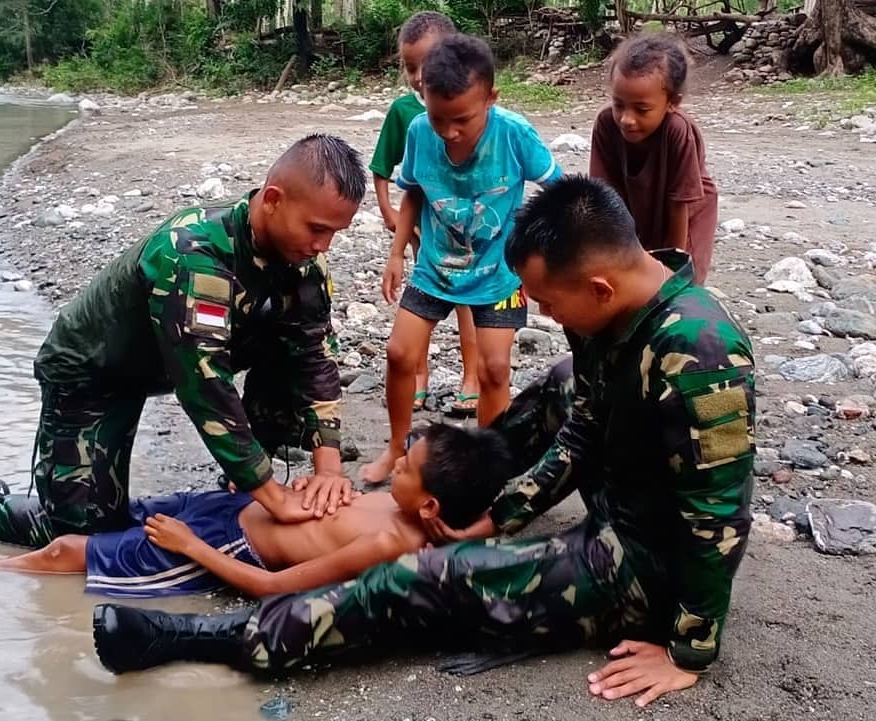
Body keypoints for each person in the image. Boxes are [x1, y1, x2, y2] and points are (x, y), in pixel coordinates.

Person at [89, 176, 756, 709]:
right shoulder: (610, 315)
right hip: (625, 498)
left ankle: (210, 637)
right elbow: (582, 427)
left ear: (600, 287)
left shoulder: (700, 355)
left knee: (420, 577)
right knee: (559, 383)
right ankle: (465, 491)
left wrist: (689, 650)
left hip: (643, 562)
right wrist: (498, 515)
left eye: (550, 304)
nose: (546, 316)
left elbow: (720, 514)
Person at [0, 134, 367, 549]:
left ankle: (240, 482)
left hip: (169, 361)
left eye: (334, 232)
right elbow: (205, 386)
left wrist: (328, 469)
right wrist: (273, 496)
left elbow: (314, 356)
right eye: (316, 229)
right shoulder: (194, 255)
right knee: (77, 538)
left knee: (291, 345)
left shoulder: (304, 264)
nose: (323, 246)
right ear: (272, 200)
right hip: (93, 371)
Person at [0, 425, 514, 601]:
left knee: (66, 553)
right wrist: (321, 482)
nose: (391, 468)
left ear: (427, 501)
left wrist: (194, 549)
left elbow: (274, 586)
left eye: (404, 467)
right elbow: (481, 521)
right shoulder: (415, 508)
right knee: (97, 512)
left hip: (222, 548)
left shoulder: (392, 543)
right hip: (227, 508)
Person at [361, 34, 562, 483]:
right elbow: (413, 193)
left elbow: (559, 192)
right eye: (439, 117)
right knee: (399, 353)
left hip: (498, 274)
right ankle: (396, 448)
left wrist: (547, 261)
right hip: (435, 269)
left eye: (462, 120)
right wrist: (396, 254)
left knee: (495, 369)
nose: (449, 131)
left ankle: (486, 468)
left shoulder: (514, 134)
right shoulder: (419, 132)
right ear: (424, 97)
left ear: (491, 97)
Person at [370, 11, 480, 416]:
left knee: (469, 304)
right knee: (422, 301)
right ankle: (419, 375)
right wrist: (389, 213)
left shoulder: (470, 105)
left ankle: (472, 378)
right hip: (425, 230)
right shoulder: (405, 113)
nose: (418, 76)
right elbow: (385, 167)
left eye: (427, 64)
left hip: (470, 231)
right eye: (410, 66)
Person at [590, 33, 718, 285]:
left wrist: (671, 268)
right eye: (618, 104)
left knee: (681, 286)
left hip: (687, 214)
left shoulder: (677, 131)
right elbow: (603, 195)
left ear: (672, 102)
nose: (627, 119)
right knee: (631, 278)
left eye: (642, 109)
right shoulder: (606, 124)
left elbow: (679, 205)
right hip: (636, 206)